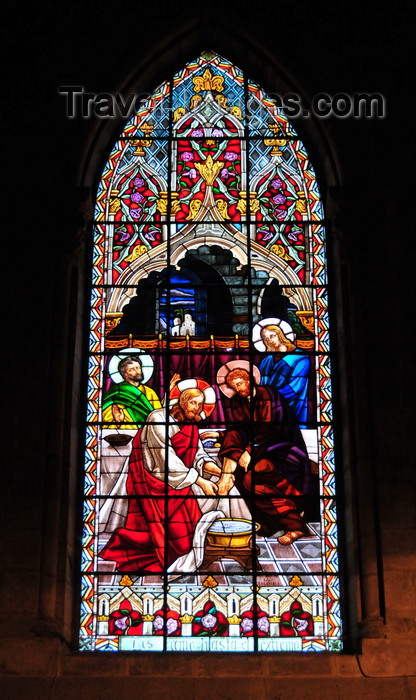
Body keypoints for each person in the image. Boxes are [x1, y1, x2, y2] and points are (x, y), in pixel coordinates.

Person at [99, 386, 250, 573]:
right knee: (180, 541)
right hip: (154, 480)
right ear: (182, 402)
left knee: (228, 490)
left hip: (178, 477)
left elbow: (198, 456)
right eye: (193, 403)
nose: (196, 408)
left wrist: (222, 474)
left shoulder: (190, 424)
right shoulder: (158, 419)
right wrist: (201, 481)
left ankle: (230, 539)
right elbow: (165, 460)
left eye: (200, 404)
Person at [217, 367, 311, 546]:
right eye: (233, 387)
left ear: (249, 380)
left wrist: (249, 452)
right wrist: (220, 435)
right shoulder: (238, 401)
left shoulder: (267, 394)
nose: (238, 389)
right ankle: (227, 477)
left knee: (251, 480)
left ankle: (295, 520)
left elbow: (268, 429)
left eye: (239, 384)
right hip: (259, 449)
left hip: (282, 448)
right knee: (234, 440)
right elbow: (242, 428)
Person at [258, 324, 310, 427]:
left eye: (272, 336)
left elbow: (295, 388)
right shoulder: (266, 361)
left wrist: (270, 399)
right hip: (268, 407)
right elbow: (262, 386)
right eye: (266, 339)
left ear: (280, 335)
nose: (270, 340)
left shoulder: (300, 358)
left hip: (292, 405)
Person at [102, 355, 163, 428]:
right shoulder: (116, 393)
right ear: (124, 374)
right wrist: (118, 422)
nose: (137, 371)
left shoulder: (150, 392)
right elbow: (105, 424)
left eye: (138, 368)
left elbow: (159, 416)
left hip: (148, 433)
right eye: (131, 369)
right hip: (123, 436)